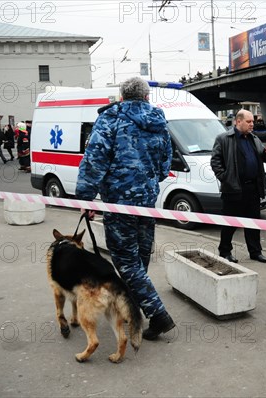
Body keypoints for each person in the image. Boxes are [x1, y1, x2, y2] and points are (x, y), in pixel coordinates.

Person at [75, 77, 175, 341]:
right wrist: (148, 180)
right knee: (139, 259)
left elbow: (94, 160)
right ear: (146, 97)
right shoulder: (159, 122)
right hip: (147, 202)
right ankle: (133, 309)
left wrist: (85, 198)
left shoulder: (111, 119)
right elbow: (166, 165)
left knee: (127, 261)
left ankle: (159, 315)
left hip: (119, 203)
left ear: (121, 96)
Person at [210, 109, 266, 264]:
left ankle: (255, 252)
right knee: (230, 223)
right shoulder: (224, 138)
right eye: (249, 121)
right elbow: (215, 161)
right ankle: (225, 252)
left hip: (252, 189)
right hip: (233, 189)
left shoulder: (253, 138)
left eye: (252, 121)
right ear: (238, 122)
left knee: (253, 222)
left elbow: (262, 157)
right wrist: (225, 178)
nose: (252, 124)